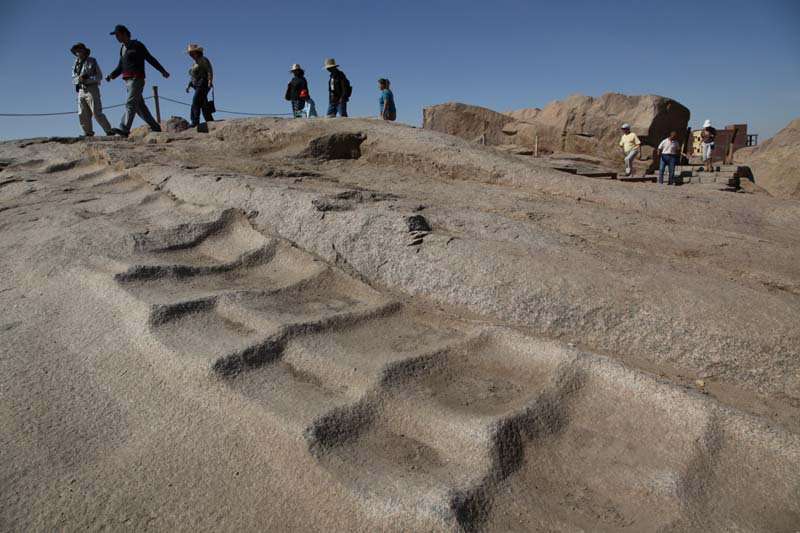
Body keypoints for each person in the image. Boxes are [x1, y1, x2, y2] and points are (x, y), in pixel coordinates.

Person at [105, 25, 170, 137]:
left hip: (137, 79)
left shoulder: (137, 45)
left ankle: (124, 129)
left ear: (124, 33)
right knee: (140, 107)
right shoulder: (122, 48)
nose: (116, 37)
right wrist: (111, 76)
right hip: (127, 81)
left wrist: (162, 70)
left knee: (130, 103)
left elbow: (150, 58)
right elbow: (121, 66)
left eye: (117, 35)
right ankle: (155, 127)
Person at [70, 43, 113, 137]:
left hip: (92, 89)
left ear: (84, 51)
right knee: (82, 113)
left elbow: (99, 76)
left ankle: (109, 131)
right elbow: (74, 77)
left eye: (79, 50)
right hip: (81, 90)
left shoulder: (92, 61)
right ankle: (88, 132)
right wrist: (79, 80)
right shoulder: (75, 63)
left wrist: (87, 79)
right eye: (76, 50)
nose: (78, 52)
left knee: (96, 112)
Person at [185, 44, 214, 127]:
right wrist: (189, 85)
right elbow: (193, 76)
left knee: (195, 102)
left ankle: (195, 121)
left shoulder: (203, 60)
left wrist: (210, 81)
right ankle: (209, 120)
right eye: (189, 53)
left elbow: (209, 70)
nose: (190, 55)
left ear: (196, 52)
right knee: (203, 104)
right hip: (197, 85)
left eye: (191, 53)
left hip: (203, 83)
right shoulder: (195, 63)